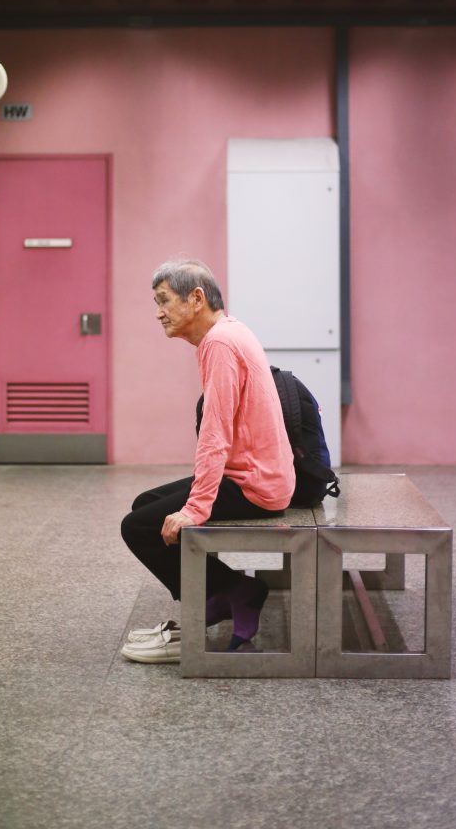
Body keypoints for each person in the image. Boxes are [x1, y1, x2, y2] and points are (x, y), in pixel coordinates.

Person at [120, 259, 296, 663]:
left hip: (254, 485)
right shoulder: (228, 332)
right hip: (259, 475)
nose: (158, 312)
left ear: (196, 298)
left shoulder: (219, 343)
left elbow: (216, 435)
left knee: (138, 527)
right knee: (146, 505)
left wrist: (195, 509)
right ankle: (222, 592)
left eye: (164, 300)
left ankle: (233, 591)